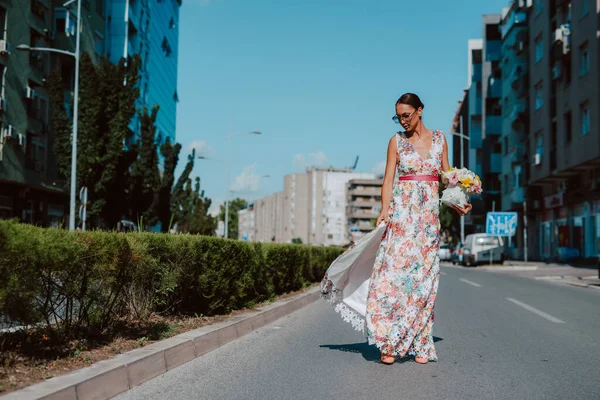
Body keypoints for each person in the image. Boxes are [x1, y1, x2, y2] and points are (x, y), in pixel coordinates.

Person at [367, 93, 472, 365]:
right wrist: (383, 211)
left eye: (407, 115)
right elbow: (388, 180)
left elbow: (447, 178)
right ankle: (388, 343)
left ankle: (421, 343)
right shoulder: (396, 142)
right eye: (398, 116)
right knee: (392, 278)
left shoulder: (439, 139)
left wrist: (460, 203)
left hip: (427, 223)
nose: (402, 121)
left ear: (420, 111)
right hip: (402, 217)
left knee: (424, 282)